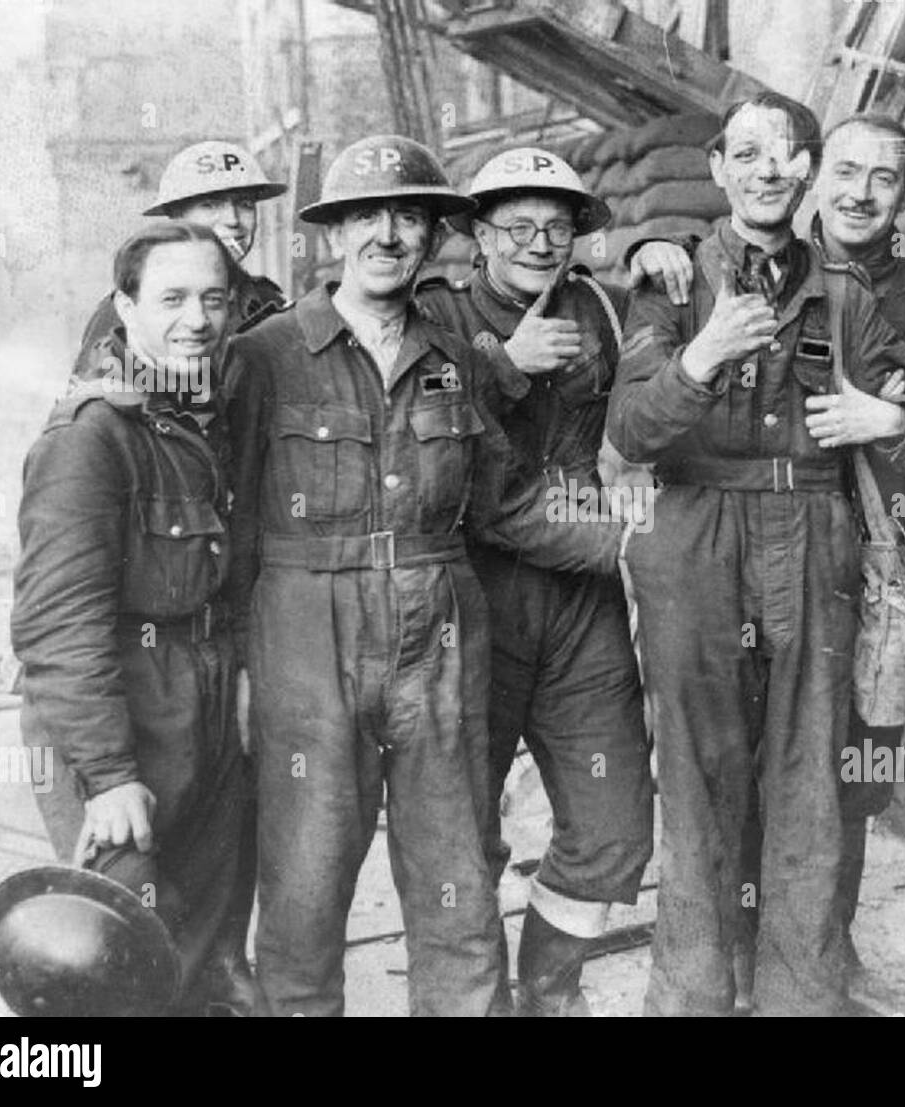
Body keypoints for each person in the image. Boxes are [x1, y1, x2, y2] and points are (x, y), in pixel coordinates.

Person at [223, 134, 622, 1017]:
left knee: (454, 877)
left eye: (409, 215)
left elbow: (504, 504)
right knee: (307, 878)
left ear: (436, 233)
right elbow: (231, 520)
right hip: (307, 636)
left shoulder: (456, 357)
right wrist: (239, 663)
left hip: (440, 632)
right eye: (367, 215)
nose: (389, 234)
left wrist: (636, 547)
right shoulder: (265, 355)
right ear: (335, 235)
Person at [607, 91, 905, 1016]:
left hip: (813, 541)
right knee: (697, 778)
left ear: (807, 173)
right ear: (718, 169)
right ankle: (693, 996)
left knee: (809, 779)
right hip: (694, 542)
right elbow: (633, 430)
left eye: (789, 153)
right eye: (748, 153)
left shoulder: (843, 297)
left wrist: (894, 417)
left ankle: (801, 997)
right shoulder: (669, 285)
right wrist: (700, 357)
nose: (769, 168)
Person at [416, 146, 654, 1016]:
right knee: (460, 833)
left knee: (614, 820)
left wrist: (660, 246)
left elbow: (680, 323)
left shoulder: (601, 306)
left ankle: (550, 990)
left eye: (557, 226)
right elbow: (479, 488)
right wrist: (504, 363)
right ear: (478, 234)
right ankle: (473, 1000)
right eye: (517, 225)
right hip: (475, 604)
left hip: (583, 609)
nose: (539, 242)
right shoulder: (436, 317)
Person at [12, 221, 248, 1015]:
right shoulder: (92, 436)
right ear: (125, 306)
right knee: (120, 956)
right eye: (172, 298)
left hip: (203, 704)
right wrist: (110, 776)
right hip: (115, 717)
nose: (197, 320)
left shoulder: (194, 419)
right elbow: (55, 624)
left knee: (207, 951)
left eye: (214, 299)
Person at [72, 140, 288, 379]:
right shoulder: (132, 309)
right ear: (177, 217)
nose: (233, 219)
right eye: (211, 205)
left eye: (245, 205)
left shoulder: (267, 302)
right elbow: (96, 401)